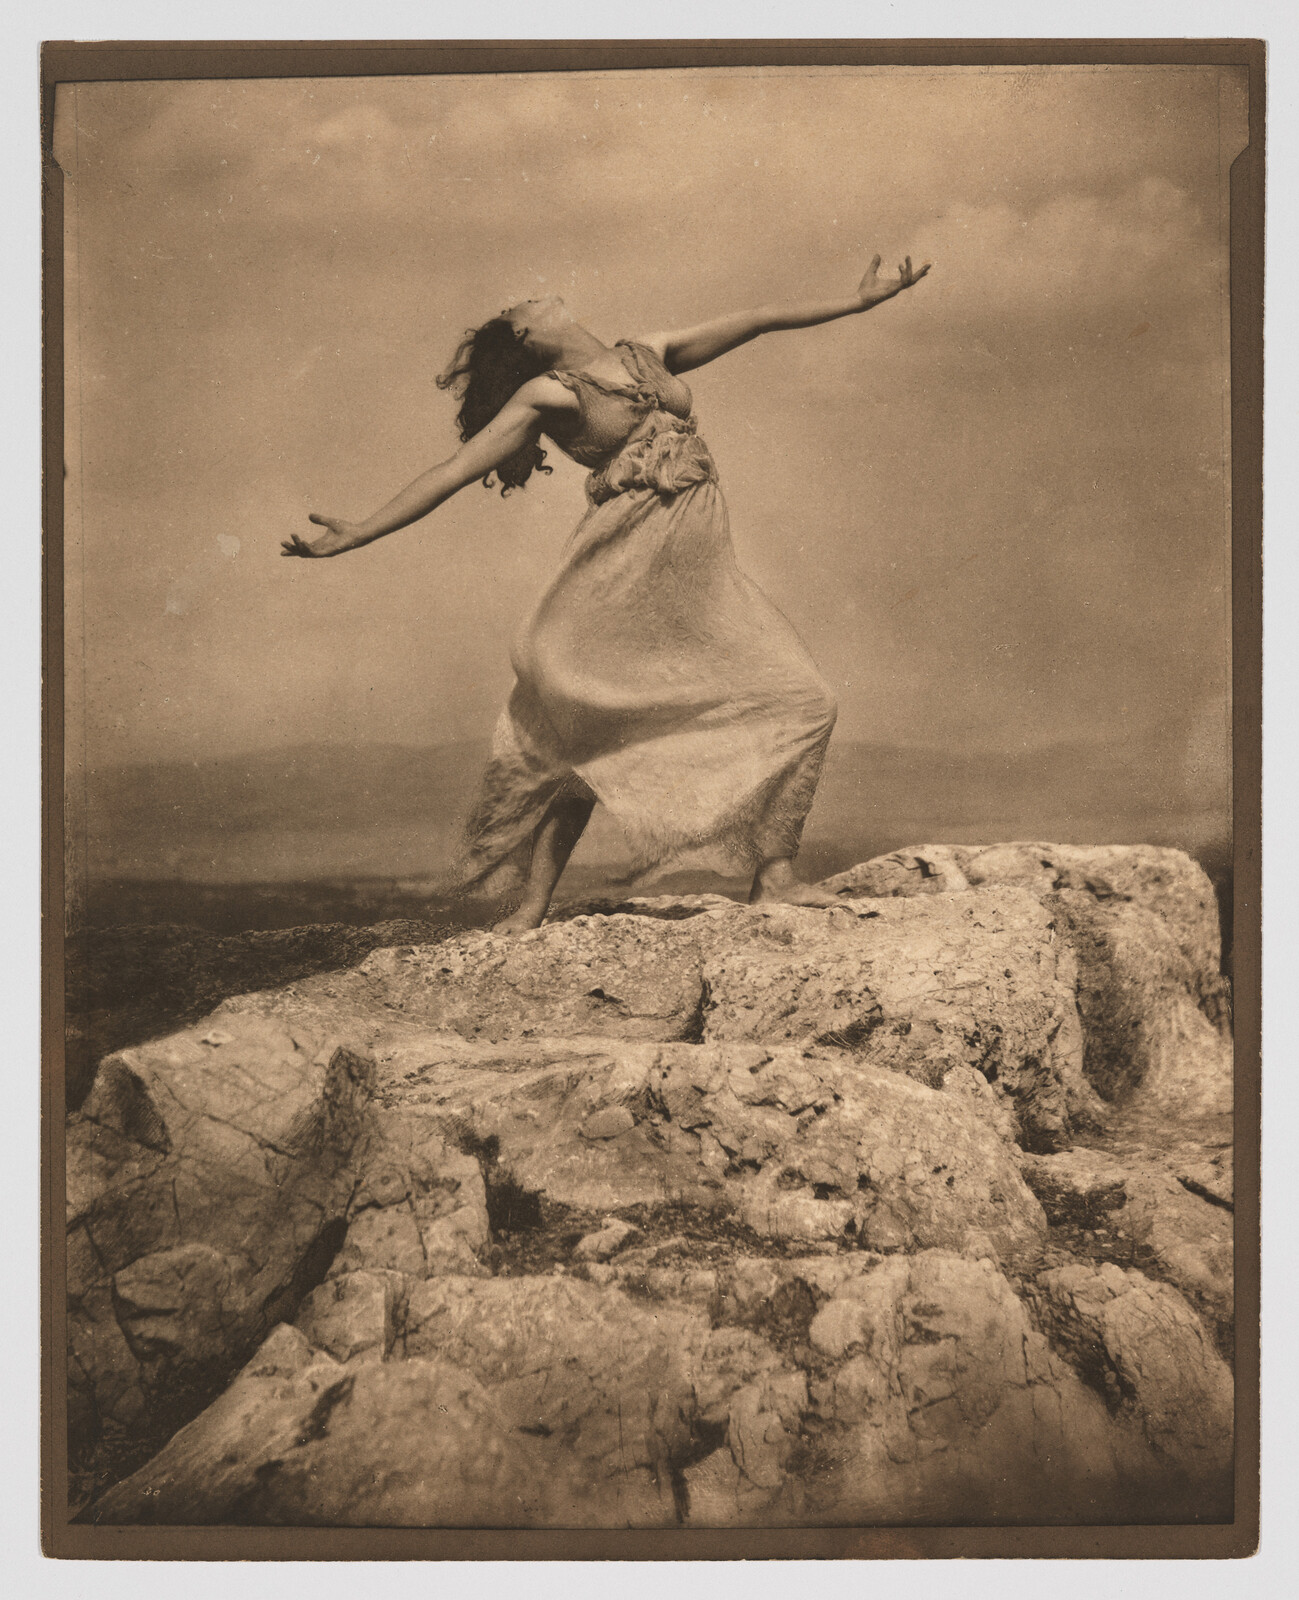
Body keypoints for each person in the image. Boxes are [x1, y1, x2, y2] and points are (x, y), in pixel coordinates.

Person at [283, 254, 932, 932]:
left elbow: (757, 321)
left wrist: (857, 304)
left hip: (699, 579)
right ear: (528, 338)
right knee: (592, 738)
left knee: (805, 700)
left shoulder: (649, 351)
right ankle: (533, 905)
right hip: (619, 575)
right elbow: (451, 471)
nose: (534, 295)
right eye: (522, 306)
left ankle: (773, 879)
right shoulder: (547, 395)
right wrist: (358, 532)